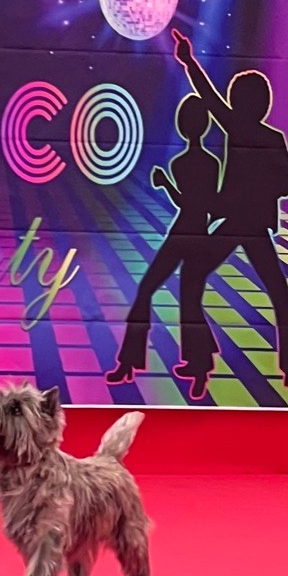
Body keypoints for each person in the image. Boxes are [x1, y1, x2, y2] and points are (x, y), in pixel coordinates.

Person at [173, 28, 288, 398]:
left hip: (246, 223)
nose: (231, 101)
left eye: (236, 97)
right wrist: (189, 62)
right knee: (274, 294)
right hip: (243, 223)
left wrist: (189, 61)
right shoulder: (258, 134)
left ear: (244, 103)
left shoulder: (255, 133)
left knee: (198, 280)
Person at [106, 94, 220, 400]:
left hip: (187, 232)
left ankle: (188, 366)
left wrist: (166, 183)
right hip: (192, 233)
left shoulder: (184, 163)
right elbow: (204, 206)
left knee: (165, 294)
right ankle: (194, 365)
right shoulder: (208, 162)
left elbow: (191, 203)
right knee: (182, 299)